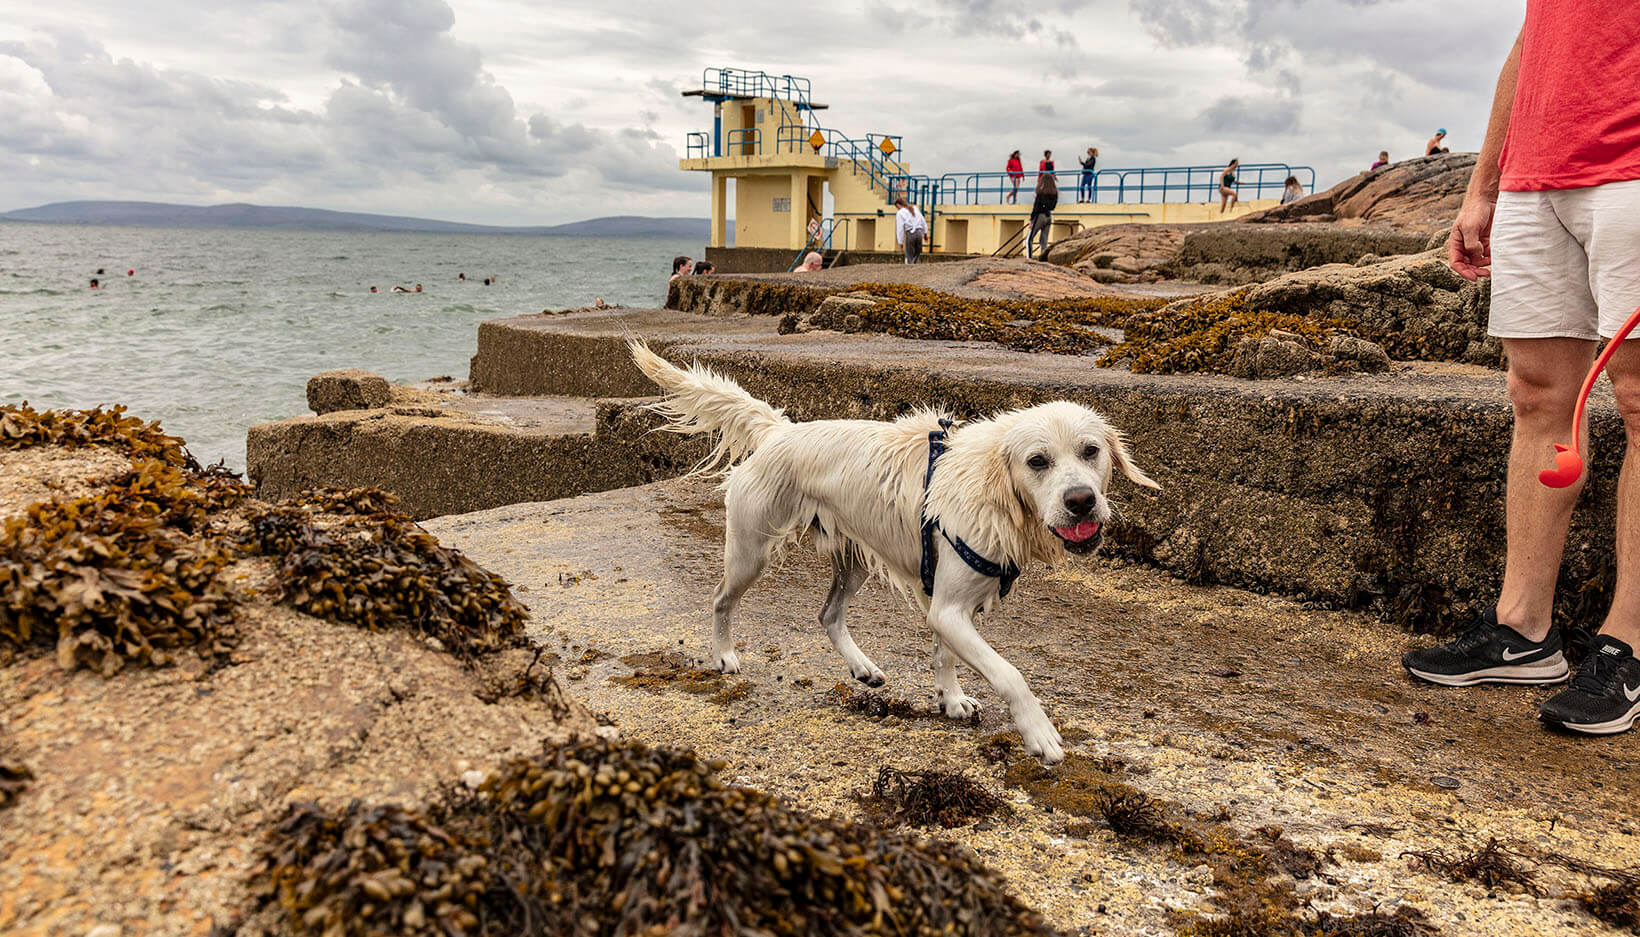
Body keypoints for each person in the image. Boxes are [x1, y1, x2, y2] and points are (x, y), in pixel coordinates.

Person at [1404, 4, 1640, 736]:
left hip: (1631, 173)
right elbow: (1533, 40)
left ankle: (1629, 645)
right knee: (1536, 395)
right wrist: (1483, 185)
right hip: (1536, 180)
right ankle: (1522, 630)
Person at [1026, 172, 1058, 260]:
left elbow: (1036, 207)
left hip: (1039, 216)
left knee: (1029, 239)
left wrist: (1032, 220)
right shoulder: (1054, 193)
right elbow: (1053, 207)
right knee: (1044, 240)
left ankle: (1029, 258)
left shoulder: (1041, 193)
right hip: (1048, 216)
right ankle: (1043, 259)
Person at [893, 197, 926, 264]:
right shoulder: (915, 208)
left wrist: (900, 242)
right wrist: (925, 233)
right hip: (919, 233)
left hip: (910, 234)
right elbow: (923, 221)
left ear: (898, 205)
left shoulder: (900, 213)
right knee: (916, 255)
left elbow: (900, 228)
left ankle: (909, 267)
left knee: (909, 256)